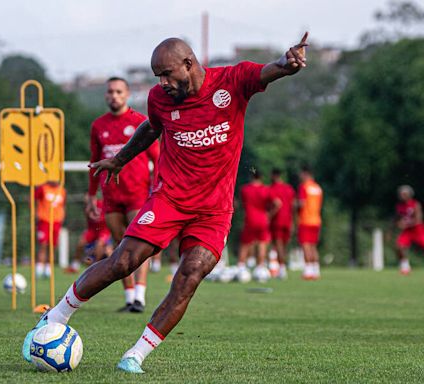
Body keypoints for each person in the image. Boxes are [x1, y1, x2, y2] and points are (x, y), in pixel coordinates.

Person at [23, 33, 309, 373]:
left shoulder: (232, 81)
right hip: (169, 199)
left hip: (214, 211)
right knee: (122, 261)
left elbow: (269, 70)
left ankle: (135, 355)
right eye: (157, 76)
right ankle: (55, 316)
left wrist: (287, 64)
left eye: (166, 74)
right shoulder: (160, 99)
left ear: (188, 64)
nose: (162, 83)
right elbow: (150, 129)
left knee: (191, 274)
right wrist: (119, 160)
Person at [86, 77, 160, 313]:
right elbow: (94, 163)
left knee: (141, 244)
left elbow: (157, 159)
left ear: (127, 94)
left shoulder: (140, 122)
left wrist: (158, 188)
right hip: (111, 197)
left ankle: (140, 295)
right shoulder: (99, 125)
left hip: (138, 195)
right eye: (110, 91)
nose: (114, 95)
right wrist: (90, 195)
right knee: (120, 248)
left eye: (118, 91)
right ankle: (129, 298)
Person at [237, 170, 280, 281]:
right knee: (262, 243)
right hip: (262, 219)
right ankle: (260, 267)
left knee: (245, 244)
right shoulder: (266, 189)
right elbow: (278, 203)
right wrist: (269, 214)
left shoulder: (245, 189)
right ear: (261, 177)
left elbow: (240, 203)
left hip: (250, 219)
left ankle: (241, 267)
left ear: (251, 176)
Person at [65, 195, 112, 273]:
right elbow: (89, 222)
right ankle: (75, 265)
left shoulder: (102, 204)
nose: (86, 200)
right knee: (81, 243)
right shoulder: (87, 208)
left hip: (103, 230)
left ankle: (96, 267)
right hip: (92, 230)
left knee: (99, 245)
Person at [35, 181, 66, 278]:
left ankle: (48, 268)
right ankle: (39, 268)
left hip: (56, 221)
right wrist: (35, 212)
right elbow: (33, 199)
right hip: (44, 220)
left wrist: (62, 215)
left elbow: (62, 205)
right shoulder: (43, 188)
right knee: (43, 244)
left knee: (52, 246)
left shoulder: (62, 190)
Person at [297, 166, 323, 280]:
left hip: (306, 219)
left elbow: (301, 203)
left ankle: (308, 271)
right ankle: (315, 270)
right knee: (313, 246)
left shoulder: (304, 187)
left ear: (306, 174)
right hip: (316, 220)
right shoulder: (318, 188)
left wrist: (294, 206)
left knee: (306, 245)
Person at [269, 168, 295, 279]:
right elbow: (293, 205)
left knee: (278, 245)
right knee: (283, 246)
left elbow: (275, 204)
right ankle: (282, 266)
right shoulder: (289, 188)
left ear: (274, 176)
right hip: (288, 220)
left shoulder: (272, 188)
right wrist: (294, 221)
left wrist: (268, 215)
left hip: (278, 220)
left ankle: (282, 269)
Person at [395, 185, 424, 275]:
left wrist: (407, 224)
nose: (401, 196)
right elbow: (397, 219)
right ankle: (405, 267)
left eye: (404, 194)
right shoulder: (399, 206)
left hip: (417, 230)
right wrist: (398, 224)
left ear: (409, 195)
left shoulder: (415, 204)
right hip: (407, 232)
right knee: (399, 247)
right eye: (401, 194)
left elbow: (418, 219)